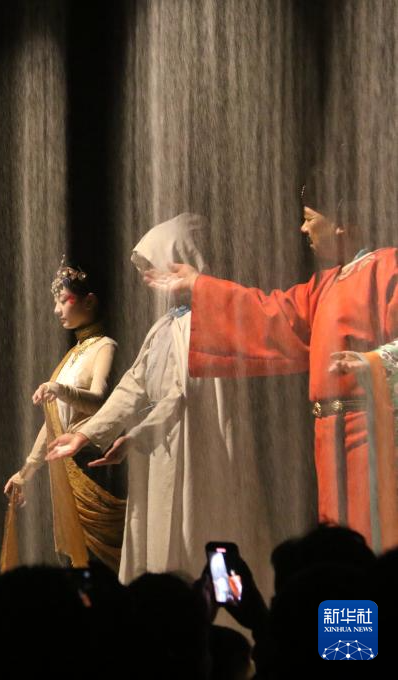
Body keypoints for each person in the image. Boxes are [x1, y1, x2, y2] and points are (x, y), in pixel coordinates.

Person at [151, 171, 398, 553]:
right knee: (338, 541)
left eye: (309, 218)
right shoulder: (324, 285)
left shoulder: (388, 267)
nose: (303, 229)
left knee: (375, 532)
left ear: (341, 225)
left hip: (373, 431)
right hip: (328, 436)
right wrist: (199, 285)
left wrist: (372, 362)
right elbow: (271, 315)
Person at [48, 214, 271, 588]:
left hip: (197, 446)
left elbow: (180, 397)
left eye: (153, 269)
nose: (145, 279)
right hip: (164, 445)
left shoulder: (209, 321)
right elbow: (134, 384)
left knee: (195, 527)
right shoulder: (167, 324)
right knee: (160, 535)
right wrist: (87, 433)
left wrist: (137, 436)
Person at [3, 260, 124, 570]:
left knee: (97, 561)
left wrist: (59, 389)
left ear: (89, 301)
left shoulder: (105, 347)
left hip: (91, 461)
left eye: (63, 300)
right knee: (72, 560)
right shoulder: (72, 355)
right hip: (64, 465)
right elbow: (53, 423)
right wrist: (26, 472)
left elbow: (101, 403)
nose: (57, 309)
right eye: (56, 302)